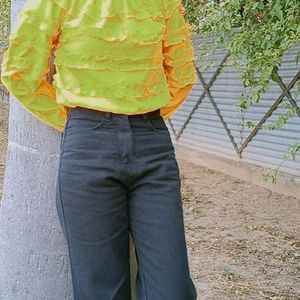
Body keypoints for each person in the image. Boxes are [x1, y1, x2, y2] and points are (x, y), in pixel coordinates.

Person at [1, 0, 198, 299]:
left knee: (173, 291)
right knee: (101, 291)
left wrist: (142, 116)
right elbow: (19, 72)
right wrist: (78, 121)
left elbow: (182, 76)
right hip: (87, 147)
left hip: (152, 143)